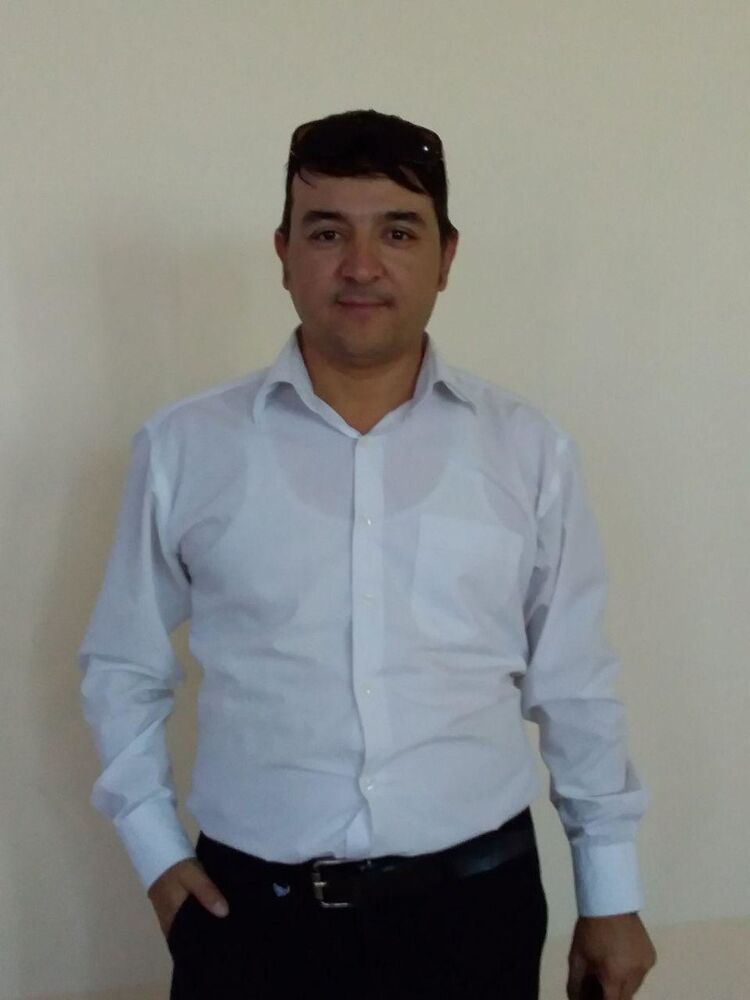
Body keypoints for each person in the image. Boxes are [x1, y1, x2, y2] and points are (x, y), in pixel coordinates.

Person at [79, 109, 657, 999]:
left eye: (398, 231)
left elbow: (573, 680)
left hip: (476, 913)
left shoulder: (528, 450)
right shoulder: (184, 449)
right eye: (326, 232)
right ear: (283, 253)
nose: (360, 265)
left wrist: (610, 891)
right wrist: (156, 852)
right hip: (250, 920)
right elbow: (122, 665)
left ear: (447, 256)